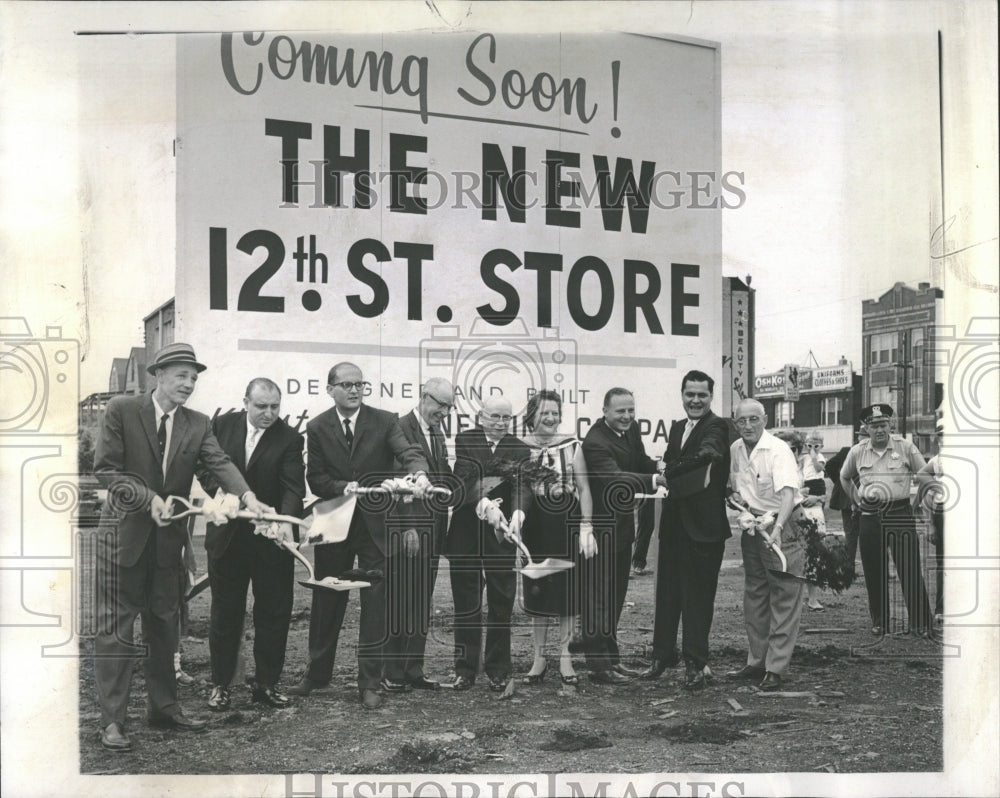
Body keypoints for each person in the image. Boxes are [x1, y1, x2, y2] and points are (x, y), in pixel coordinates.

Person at [92, 342, 269, 752]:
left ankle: (164, 708)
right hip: (123, 542)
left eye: (193, 377)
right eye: (181, 375)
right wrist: (146, 498)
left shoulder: (198, 423)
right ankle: (113, 722)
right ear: (158, 375)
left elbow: (220, 463)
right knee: (116, 633)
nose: (189, 383)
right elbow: (106, 470)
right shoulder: (122, 409)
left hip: (168, 545)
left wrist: (248, 498)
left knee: (164, 626)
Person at [288, 363, 430, 710]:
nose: (354, 390)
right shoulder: (318, 426)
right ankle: (317, 675)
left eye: (360, 385)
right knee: (326, 600)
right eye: (347, 385)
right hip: (335, 523)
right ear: (330, 388)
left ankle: (369, 684)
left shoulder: (384, 420)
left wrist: (420, 474)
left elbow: (408, 452)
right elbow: (317, 479)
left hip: (375, 528)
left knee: (375, 605)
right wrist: (341, 487)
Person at [197, 378, 305, 712]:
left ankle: (267, 685)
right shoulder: (220, 425)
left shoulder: (289, 438)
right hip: (227, 539)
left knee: (273, 614)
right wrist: (223, 493)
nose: (269, 413)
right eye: (261, 406)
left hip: (269, 540)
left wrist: (284, 525)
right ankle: (221, 686)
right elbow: (204, 466)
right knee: (225, 615)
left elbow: (292, 488)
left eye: (275, 406)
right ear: (245, 401)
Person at [641, 371, 731, 690]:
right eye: (690, 394)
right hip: (674, 526)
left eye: (701, 395)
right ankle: (662, 657)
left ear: (710, 397)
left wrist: (670, 470)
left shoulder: (718, 426)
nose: (695, 400)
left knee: (697, 598)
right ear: (682, 395)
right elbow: (668, 461)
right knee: (667, 594)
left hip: (704, 529)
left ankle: (696, 662)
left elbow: (708, 453)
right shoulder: (678, 427)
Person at [446, 395, 531, 692]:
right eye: (495, 416)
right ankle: (465, 670)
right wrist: (485, 505)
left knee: (501, 601)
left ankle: (498, 669)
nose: (500, 422)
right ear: (481, 416)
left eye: (506, 418)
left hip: (502, 535)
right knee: (466, 604)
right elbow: (465, 479)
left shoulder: (519, 448)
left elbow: (522, 484)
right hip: (467, 533)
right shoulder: (465, 440)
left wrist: (518, 514)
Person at [581, 387, 664, 684]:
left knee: (615, 597)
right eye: (620, 411)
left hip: (622, 530)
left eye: (631, 410)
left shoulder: (630, 430)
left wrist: (658, 465)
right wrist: (655, 479)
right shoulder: (595, 441)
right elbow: (614, 478)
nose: (627, 416)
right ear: (605, 411)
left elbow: (638, 461)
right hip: (598, 532)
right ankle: (597, 666)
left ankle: (611, 659)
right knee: (597, 599)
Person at [517, 390, 597, 688]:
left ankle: (565, 656)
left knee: (566, 593)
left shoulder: (572, 445)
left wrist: (586, 526)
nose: (550, 418)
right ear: (531, 416)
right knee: (537, 590)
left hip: (565, 523)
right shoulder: (520, 447)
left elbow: (584, 488)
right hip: (533, 526)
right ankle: (538, 657)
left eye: (554, 412)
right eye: (543, 413)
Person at [382, 377, 456, 691]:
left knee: (421, 600)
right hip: (410, 532)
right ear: (424, 396)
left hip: (434, 531)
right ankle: (392, 672)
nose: (445, 411)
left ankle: (414, 669)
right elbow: (398, 481)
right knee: (401, 599)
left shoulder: (436, 432)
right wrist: (409, 526)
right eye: (440, 404)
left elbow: (442, 477)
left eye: (449, 407)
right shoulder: (399, 428)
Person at [727, 398, 804, 692]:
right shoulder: (736, 449)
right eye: (741, 421)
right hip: (753, 525)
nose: (747, 425)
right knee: (755, 593)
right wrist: (741, 510)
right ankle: (756, 661)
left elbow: (787, 495)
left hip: (782, 522)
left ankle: (776, 667)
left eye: (753, 419)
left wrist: (779, 528)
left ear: (765, 419)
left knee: (784, 594)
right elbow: (736, 490)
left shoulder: (778, 450)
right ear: (735, 424)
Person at [841, 403, 932, 637]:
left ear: (890, 425)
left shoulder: (905, 447)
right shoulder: (858, 451)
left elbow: (924, 475)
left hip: (899, 513)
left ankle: (921, 623)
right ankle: (881, 622)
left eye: (883, 425)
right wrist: (855, 499)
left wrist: (921, 500)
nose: (879, 430)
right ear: (866, 428)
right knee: (874, 570)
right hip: (870, 516)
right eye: (874, 426)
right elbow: (844, 476)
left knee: (909, 568)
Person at [774, 429, 829, 612]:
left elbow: (821, 489)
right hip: (785, 516)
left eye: (791, 449)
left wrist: (818, 498)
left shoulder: (808, 463)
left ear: (798, 450)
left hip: (810, 513)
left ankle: (812, 598)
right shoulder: (777, 466)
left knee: (812, 554)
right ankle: (786, 597)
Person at [917, 419, 946, 625]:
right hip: (944, 513)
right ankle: (942, 608)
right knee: (943, 562)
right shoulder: (938, 460)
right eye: (942, 435)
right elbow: (922, 474)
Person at [825, 444, 860, 578]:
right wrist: (840, 483)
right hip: (849, 500)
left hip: (869, 499)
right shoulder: (848, 451)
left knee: (874, 535)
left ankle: (881, 569)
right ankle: (848, 570)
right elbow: (829, 466)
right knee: (851, 537)